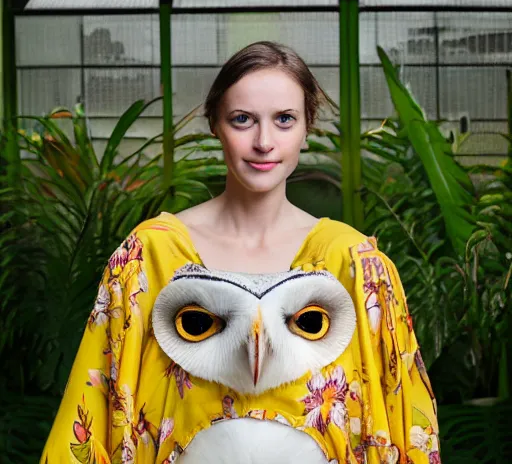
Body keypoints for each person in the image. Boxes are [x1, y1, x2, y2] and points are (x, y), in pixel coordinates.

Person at [41, 41, 439, 463]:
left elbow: (407, 429)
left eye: (285, 119)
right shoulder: (149, 258)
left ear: (308, 126)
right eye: (242, 120)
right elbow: (89, 422)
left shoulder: (356, 268)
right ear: (215, 124)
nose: (264, 142)